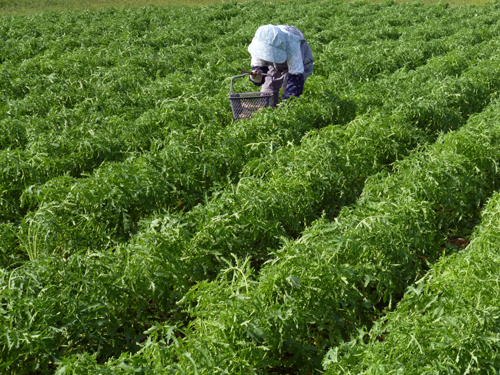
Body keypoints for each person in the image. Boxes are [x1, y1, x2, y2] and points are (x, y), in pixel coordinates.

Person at [247, 24, 313, 102]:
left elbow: (295, 79)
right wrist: (256, 77)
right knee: (266, 95)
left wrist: (288, 105)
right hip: (274, 64)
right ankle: (269, 107)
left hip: (299, 60)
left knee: (289, 94)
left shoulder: (292, 43)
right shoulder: (258, 44)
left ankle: (286, 110)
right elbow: (259, 68)